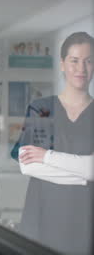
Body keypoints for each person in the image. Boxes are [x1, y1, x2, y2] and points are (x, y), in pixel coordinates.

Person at [11, 31, 94, 254]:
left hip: (86, 221)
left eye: (88, 61)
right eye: (74, 61)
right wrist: (84, 173)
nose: (81, 68)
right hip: (42, 218)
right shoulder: (41, 108)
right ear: (62, 64)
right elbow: (27, 164)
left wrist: (48, 157)